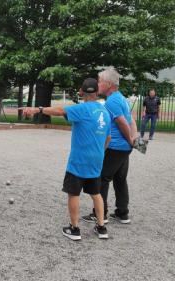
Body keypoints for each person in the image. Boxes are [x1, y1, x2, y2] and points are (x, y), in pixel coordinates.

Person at [22, 78, 111, 241]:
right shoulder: (105, 112)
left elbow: (59, 110)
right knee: (96, 193)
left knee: (73, 193)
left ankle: (74, 228)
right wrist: (100, 152)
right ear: (97, 92)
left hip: (79, 160)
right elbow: (108, 138)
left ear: (82, 92)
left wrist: (37, 109)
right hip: (97, 159)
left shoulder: (82, 109)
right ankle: (101, 227)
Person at [82, 67, 137, 225]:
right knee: (120, 179)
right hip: (124, 147)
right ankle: (122, 212)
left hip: (116, 146)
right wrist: (133, 139)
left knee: (102, 178)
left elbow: (121, 122)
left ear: (109, 84)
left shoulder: (112, 101)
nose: (98, 84)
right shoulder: (121, 98)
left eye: (100, 81)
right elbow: (131, 120)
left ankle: (100, 213)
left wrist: (129, 139)